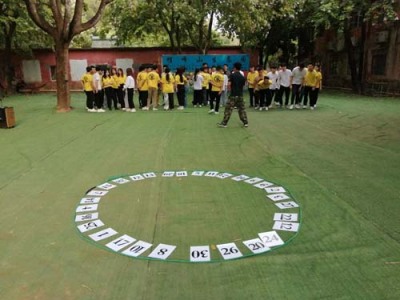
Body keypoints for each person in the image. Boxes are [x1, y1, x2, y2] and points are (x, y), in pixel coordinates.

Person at [217, 62, 248, 128]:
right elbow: (243, 86)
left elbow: (229, 84)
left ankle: (224, 123)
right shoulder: (242, 77)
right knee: (242, 109)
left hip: (233, 95)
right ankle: (245, 122)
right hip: (240, 95)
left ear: (234, 68)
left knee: (228, 109)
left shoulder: (232, 75)